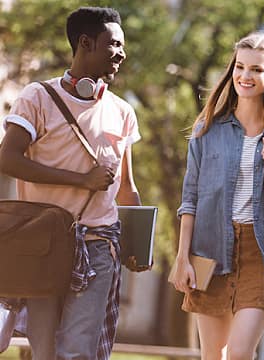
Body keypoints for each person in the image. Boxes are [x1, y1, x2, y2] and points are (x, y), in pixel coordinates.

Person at [0, 6, 142, 360]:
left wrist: (140, 243)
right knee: (44, 348)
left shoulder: (122, 111)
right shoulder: (37, 97)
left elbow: (126, 187)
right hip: (42, 242)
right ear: (85, 43)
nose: (122, 54)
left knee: (77, 350)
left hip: (97, 244)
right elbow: (8, 158)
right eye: (115, 45)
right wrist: (82, 181)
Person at [171, 30, 264, 360]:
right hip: (209, 250)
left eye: (256, 69)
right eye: (240, 67)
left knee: (239, 352)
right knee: (211, 354)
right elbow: (189, 198)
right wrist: (182, 257)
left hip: (261, 254)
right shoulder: (208, 129)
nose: (245, 76)